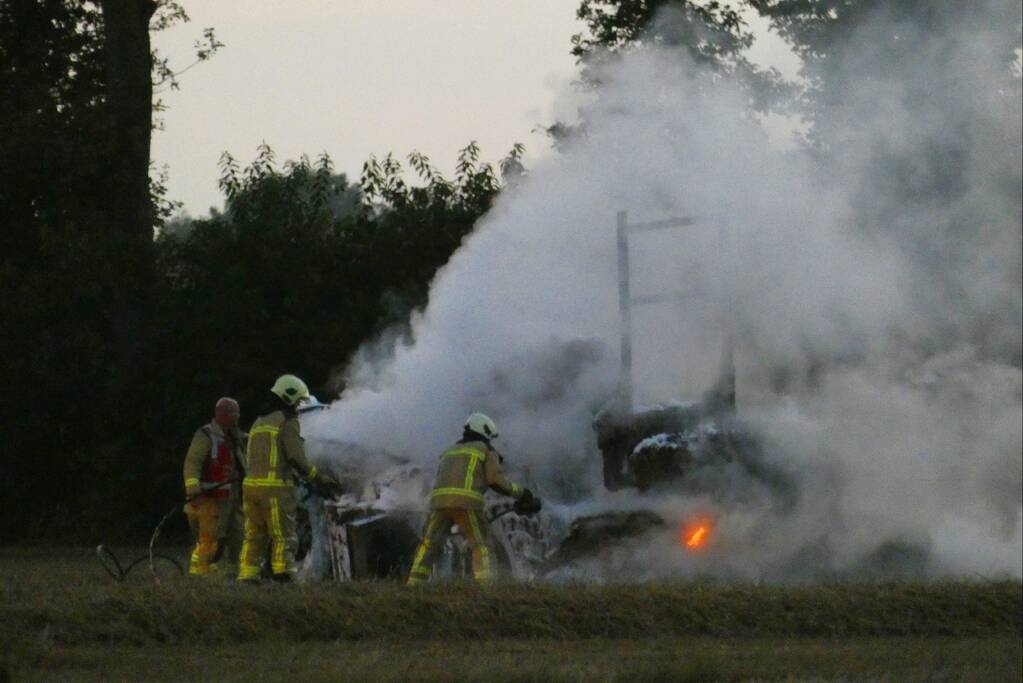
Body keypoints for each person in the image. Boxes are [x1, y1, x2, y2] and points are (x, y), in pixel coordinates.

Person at [406, 413, 535, 584]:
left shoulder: (449, 451)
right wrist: (523, 493)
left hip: (439, 504)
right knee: (482, 546)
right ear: (484, 431)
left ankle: (414, 583)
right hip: (467, 504)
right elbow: (496, 481)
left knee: (429, 545)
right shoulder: (486, 451)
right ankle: (486, 588)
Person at [237, 374, 339, 583]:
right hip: (274, 489)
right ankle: (284, 576)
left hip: (250, 489)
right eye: (299, 401)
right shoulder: (287, 422)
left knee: (254, 535)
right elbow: (296, 458)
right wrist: (318, 479)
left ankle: (248, 575)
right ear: (290, 397)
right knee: (283, 534)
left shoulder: (258, 422)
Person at [183, 397, 246, 576]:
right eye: (235, 412)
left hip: (231, 497)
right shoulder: (205, 435)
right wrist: (193, 490)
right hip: (209, 498)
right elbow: (192, 462)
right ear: (222, 413)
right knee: (210, 538)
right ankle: (201, 572)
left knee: (238, 535)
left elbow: (243, 462)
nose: (238, 416)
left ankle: (236, 571)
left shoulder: (236, 436)